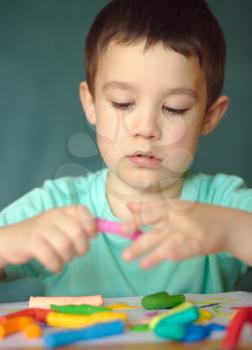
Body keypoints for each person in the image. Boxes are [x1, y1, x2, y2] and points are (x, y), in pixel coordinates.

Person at [0, 0, 252, 297]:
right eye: (122, 103)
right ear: (91, 104)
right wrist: (6, 245)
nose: (145, 128)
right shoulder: (56, 206)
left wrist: (233, 231)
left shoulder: (222, 205)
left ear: (209, 116)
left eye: (175, 108)